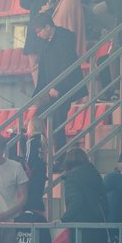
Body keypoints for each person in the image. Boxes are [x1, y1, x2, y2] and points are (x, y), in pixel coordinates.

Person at [22, 12, 79, 152]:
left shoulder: (64, 38)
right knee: (39, 119)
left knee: (58, 124)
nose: (38, 35)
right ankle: (41, 152)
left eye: (39, 31)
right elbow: (46, 68)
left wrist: (57, 87)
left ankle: (59, 155)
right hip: (50, 91)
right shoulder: (46, 41)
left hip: (63, 89)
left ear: (48, 27)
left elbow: (67, 65)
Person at [58, 147, 108, 243]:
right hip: (100, 230)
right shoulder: (95, 174)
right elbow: (104, 200)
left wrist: (64, 219)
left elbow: (76, 201)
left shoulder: (71, 178)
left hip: (81, 231)